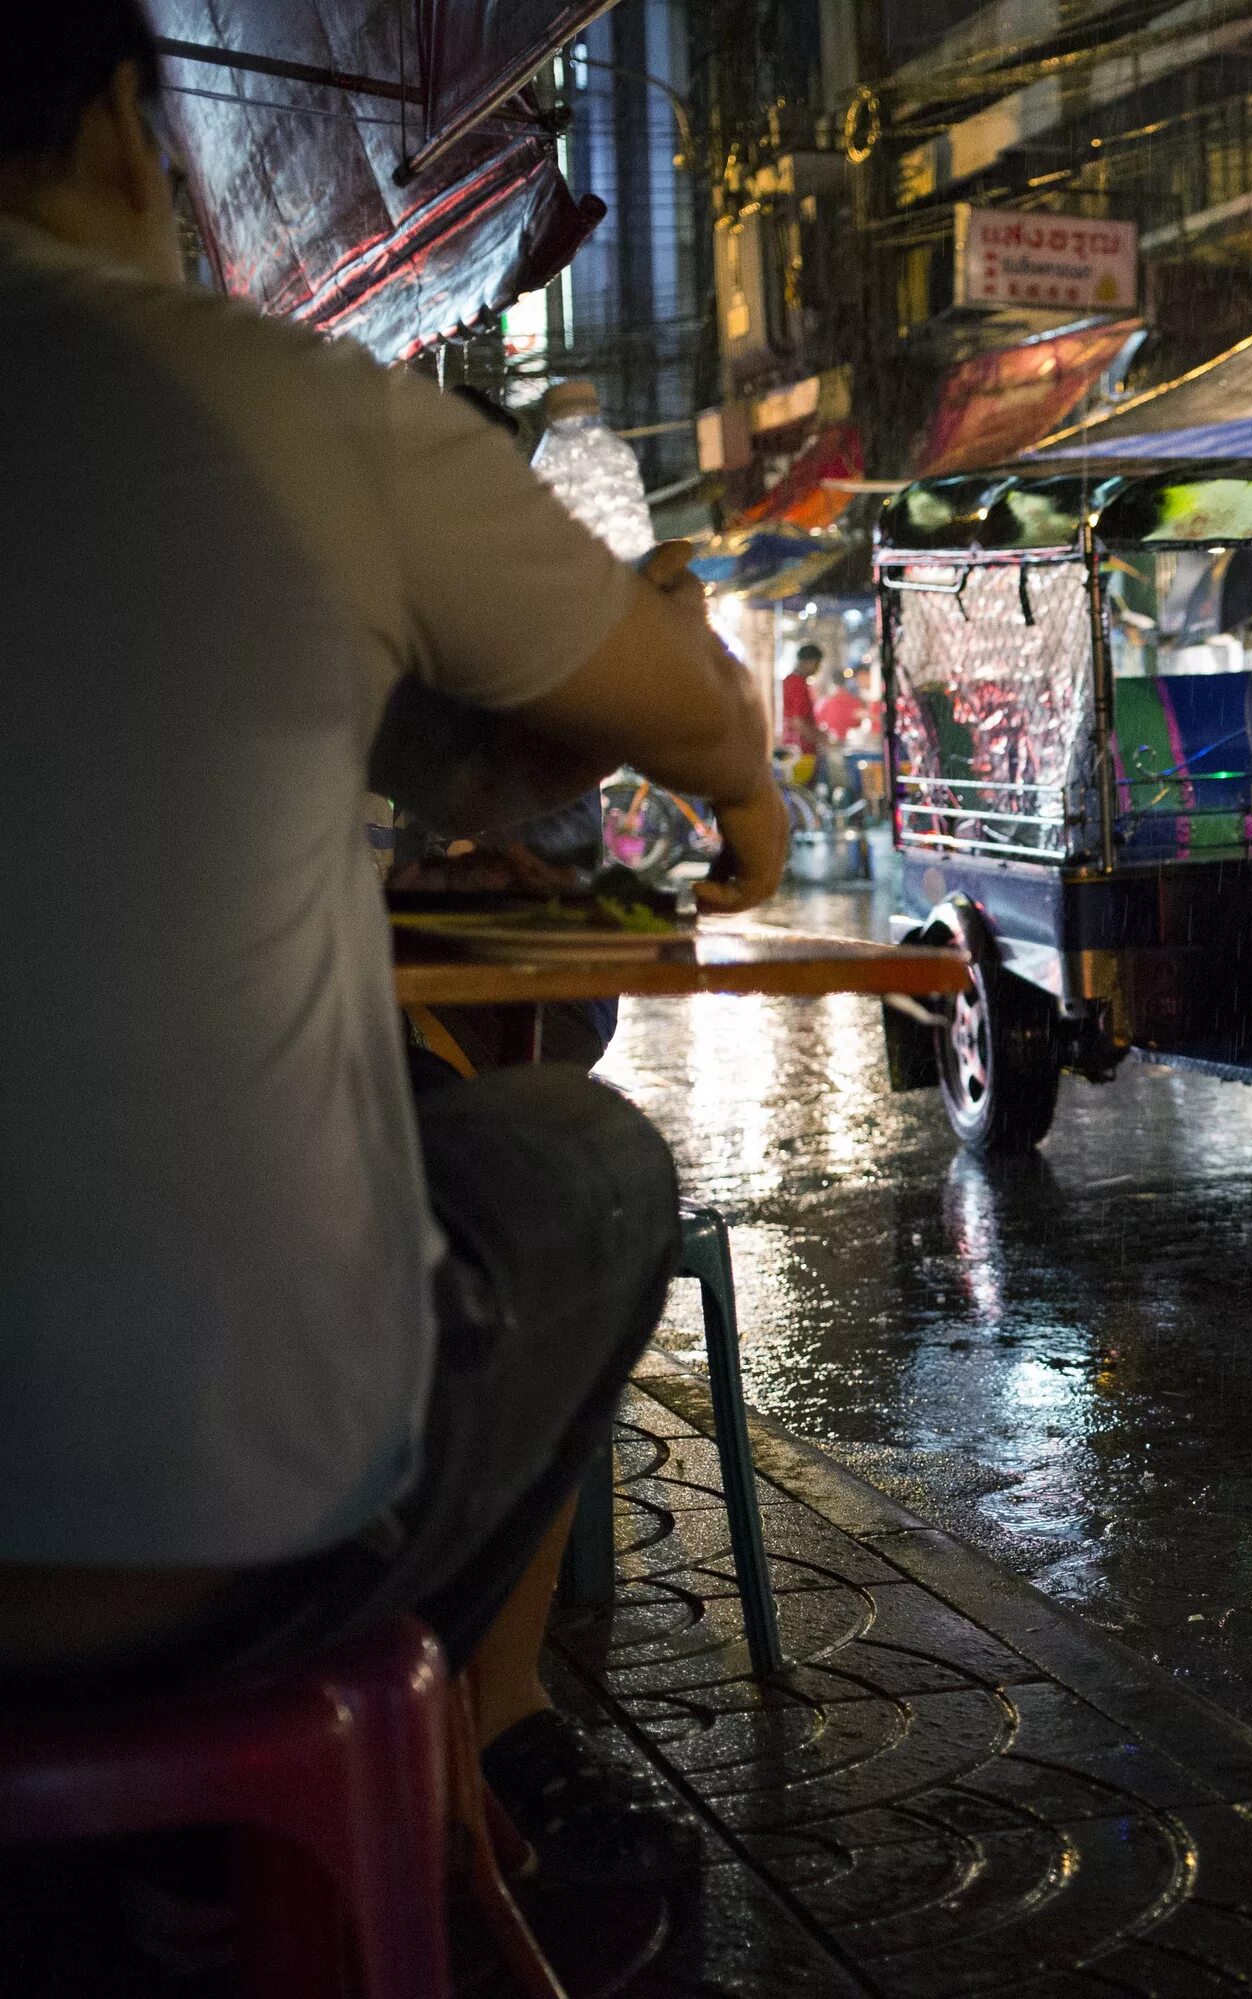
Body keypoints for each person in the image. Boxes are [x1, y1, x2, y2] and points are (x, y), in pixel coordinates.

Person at [0, 3, 784, 1913]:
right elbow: (689, 710)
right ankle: (480, 1724)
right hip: (185, 1555)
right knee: (583, 1160)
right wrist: (749, 800)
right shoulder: (277, 401)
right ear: (124, 125)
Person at [781, 640, 826, 760]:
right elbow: (798, 722)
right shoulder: (797, 684)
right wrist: (822, 741)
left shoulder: (791, 681)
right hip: (800, 752)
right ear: (808, 662)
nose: (818, 668)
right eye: (817, 664)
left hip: (794, 748)